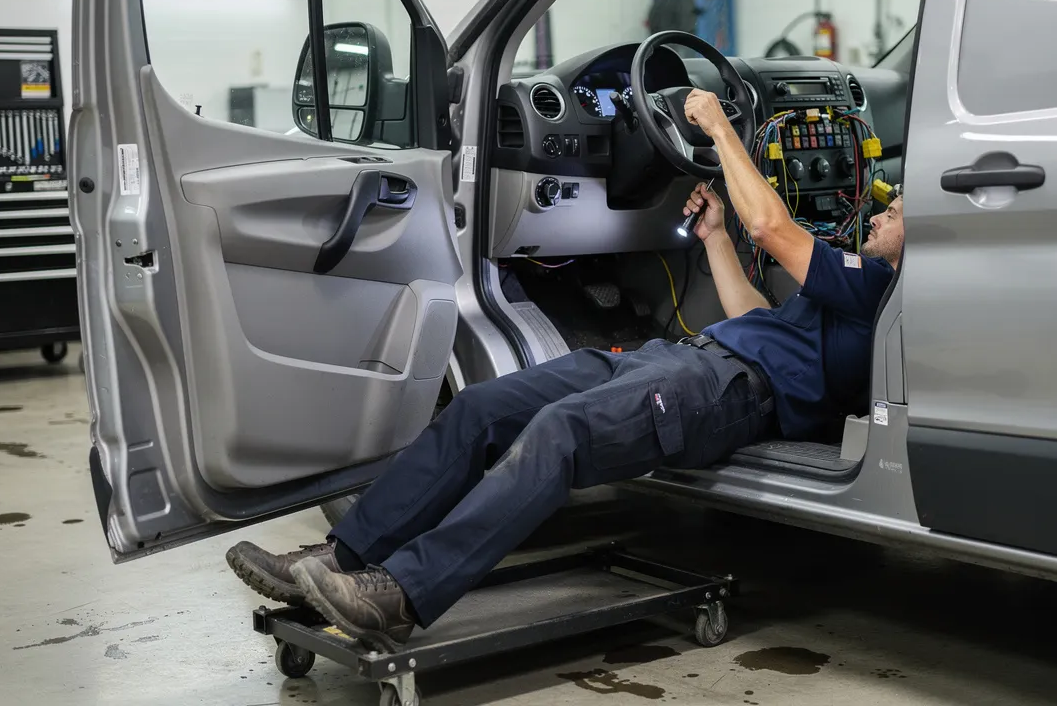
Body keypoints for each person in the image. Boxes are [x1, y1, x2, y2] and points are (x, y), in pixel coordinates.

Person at [225, 89, 906, 652]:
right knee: (483, 409)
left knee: (559, 434)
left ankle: (402, 593)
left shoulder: (878, 288)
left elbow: (774, 228)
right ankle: (340, 556)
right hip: (684, 360)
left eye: (898, 213)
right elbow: (754, 313)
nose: (880, 211)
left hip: (723, 393)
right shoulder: (857, 287)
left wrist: (717, 125)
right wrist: (716, 239)